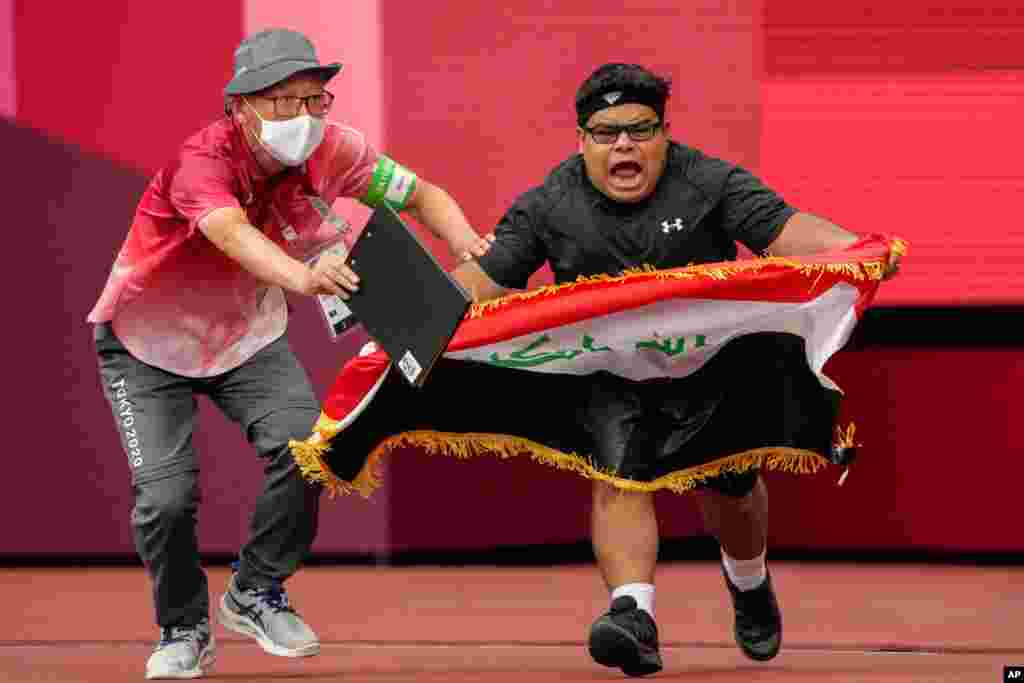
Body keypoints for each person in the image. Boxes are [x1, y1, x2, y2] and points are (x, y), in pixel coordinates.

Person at [452, 63, 900, 677]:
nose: (624, 146)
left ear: (665, 133)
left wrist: (861, 254)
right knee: (619, 472)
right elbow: (473, 288)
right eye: (607, 133)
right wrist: (407, 315)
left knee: (733, 489)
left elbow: (790, 233)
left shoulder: (711, 182)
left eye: (639, 130)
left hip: (711, 367)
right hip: (611, 375)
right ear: (581, 139)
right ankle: (631, 615)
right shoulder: (547, 205)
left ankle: (748, 582)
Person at [88, 28, 490, 680]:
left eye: (314, 100)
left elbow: (423, 196)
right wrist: (303, 277)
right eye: (282, 102)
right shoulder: (202, 163)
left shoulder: (335, 148)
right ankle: (183, 627)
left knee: (311, 447)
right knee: (165, 499)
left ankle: (256, 588)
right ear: (240, 105)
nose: (302, 118)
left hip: (246, 339)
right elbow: (233, 235)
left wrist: (467, 241)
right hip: (145, 344)